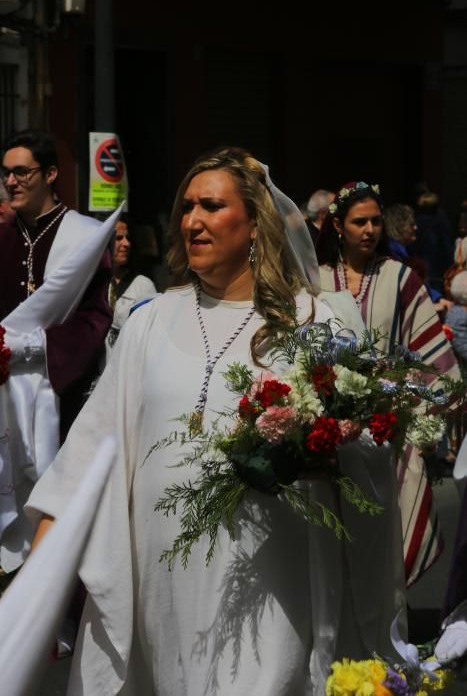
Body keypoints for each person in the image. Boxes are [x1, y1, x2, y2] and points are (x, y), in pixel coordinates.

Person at [26, 148, 405, 695]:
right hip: (163, 580)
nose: (192, 221)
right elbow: (86, 456)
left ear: (254, 223)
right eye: (186, 207)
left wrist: (330, 451)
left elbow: (367, 450)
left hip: (271, 579)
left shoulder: (312, 324)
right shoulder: (147, 324)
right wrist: (38, 587)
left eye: (210, 205)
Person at [317, 181, 461, 588]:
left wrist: (424, 413)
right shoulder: (316, 280)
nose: (369, 230)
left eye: (376, 221)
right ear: (338, 227)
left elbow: (431, 356)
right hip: (331, 433)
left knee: (385, 535)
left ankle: (389, 638)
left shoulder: (401, 278)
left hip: (387, 432)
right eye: (359, 221)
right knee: (334, 540)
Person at [0, 129, 113, 577]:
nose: (11, 181)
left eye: (22, 171)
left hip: (66, 395)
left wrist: (33, 348)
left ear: (50, 174)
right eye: (6, 173)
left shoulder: (82, 236)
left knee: (60, 506)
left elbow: (95, 315)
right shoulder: (3, 238)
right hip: (5, 397)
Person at [105, 216, 157, 362]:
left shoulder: (142, 286)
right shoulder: (93, 284)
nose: (126, 243)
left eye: (128, 238)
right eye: (118, 238)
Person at [384, 202, 452, 314]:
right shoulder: (392, 255)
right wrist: (432, 306)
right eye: (411, 224)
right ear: (399, 226)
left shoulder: (407, 250)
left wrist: (438, 298)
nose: (416, 227)